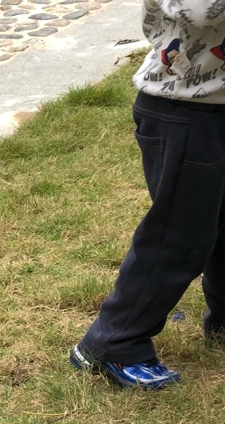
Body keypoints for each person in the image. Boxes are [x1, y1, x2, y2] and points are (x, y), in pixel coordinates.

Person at [70, 0, 225, 389]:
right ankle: (112, 342)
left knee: (219, 223)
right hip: (184, 108)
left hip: (213, 100)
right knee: (178, 235)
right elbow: (203, 10)